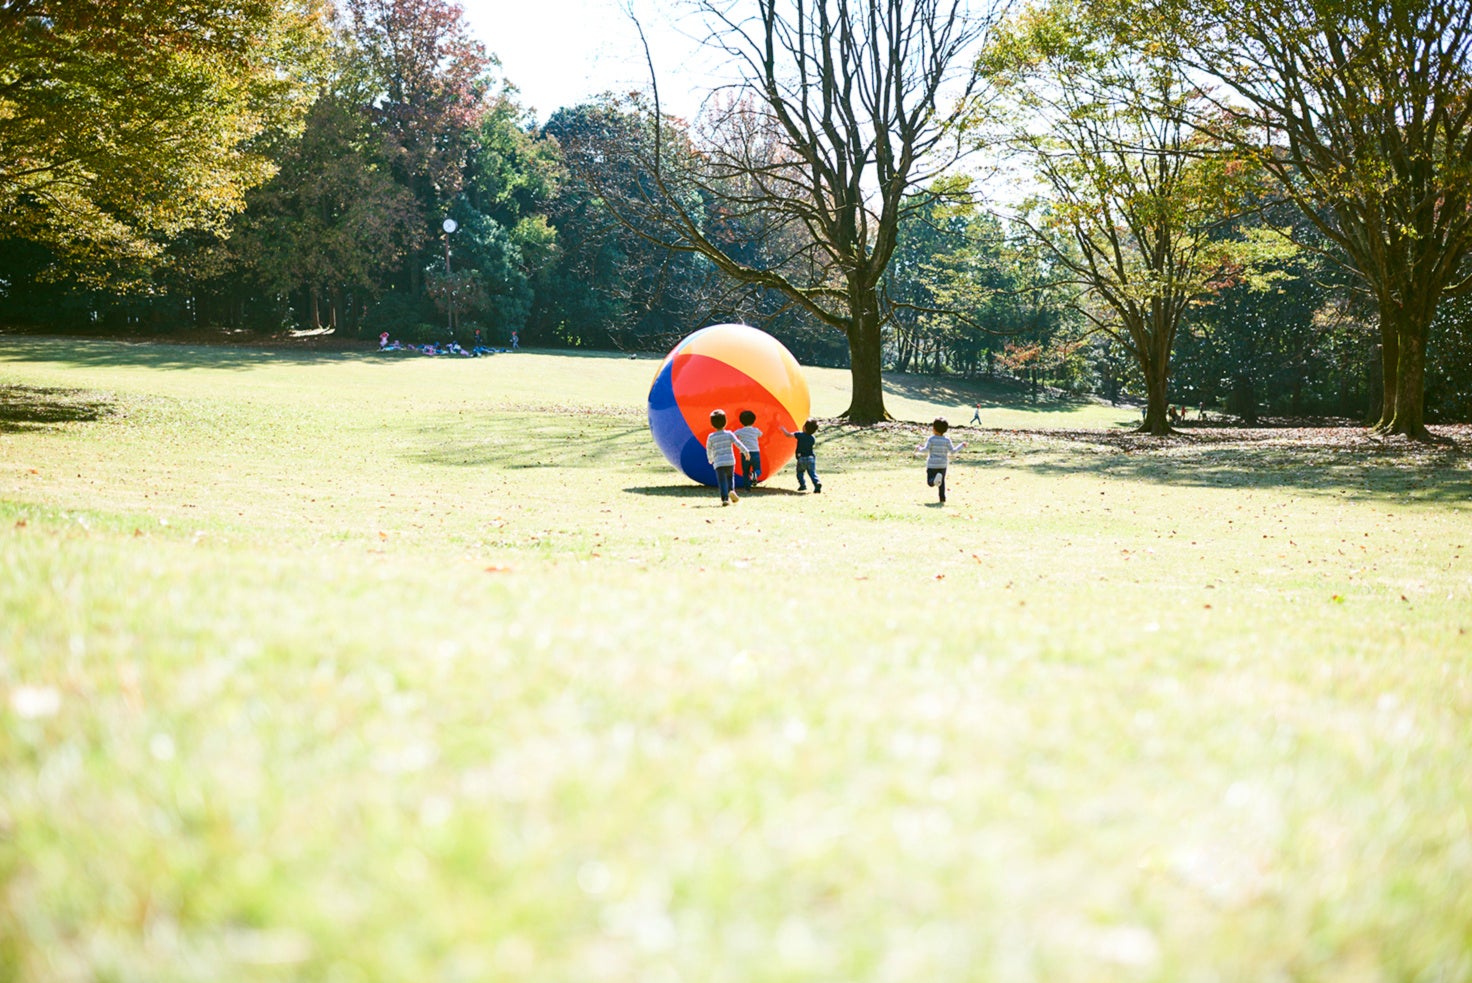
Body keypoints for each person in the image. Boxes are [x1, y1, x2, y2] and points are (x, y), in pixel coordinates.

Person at [705, 409, 750, 506]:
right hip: (730, 461)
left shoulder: (711, 437)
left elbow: (708, 449)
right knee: (730, 477)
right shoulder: (729, 434)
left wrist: (710, 458)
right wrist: (746, 452)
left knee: (722, 481)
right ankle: (731, 490)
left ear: (712, 424)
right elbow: (738, 443)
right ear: (725, 422)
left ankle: (725, 499)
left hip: (719, 463)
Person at [915, 417, 965, 504]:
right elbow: (952, 451)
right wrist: (961, 445)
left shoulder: (931, 439)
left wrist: (919, 448)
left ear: (934, 429)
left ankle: (933, 480)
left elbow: (925, 450)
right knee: (941, 482)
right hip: (943, 465)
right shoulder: (947, 440)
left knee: (930, 482)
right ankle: (942, 499)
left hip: (932, 465)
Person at [780, 418, 822, 493]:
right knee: (812, 473)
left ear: (805, 428)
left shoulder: (800, 435)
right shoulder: (813, 438)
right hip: (811, 458)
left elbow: (788, 435)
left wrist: (783, 429)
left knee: (800, 473)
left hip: (802, 458)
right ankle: (817, 483)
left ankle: (803, 485)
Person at [734, 409, 763, 489]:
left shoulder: (739, 431)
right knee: (758, 469)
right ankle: (755, 474)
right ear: (754, 420)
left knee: (745, 472)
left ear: (741, 421)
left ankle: (747, 487)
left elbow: (733, 435)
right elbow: (761, 434)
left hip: (744, 453)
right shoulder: (755, 430)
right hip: (755, 453)